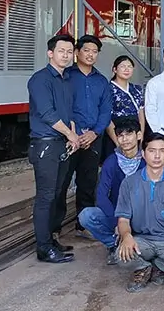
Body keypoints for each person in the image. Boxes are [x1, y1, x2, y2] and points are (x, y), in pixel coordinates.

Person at [115, 133, 164, 292]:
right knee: (120, 256)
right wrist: (127, 236)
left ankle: (156, 265)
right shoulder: (129, 182)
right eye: (152, 151)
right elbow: (123, 219)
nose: (157, 156)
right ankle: (144, 267)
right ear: (143, 154)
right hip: (141, 239)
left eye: (162, 151)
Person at [27, 34, 79, 263]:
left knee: (58, 194)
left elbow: (69, 111)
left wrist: (72, 133)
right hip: (45, 145)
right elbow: (47, 114)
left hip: (62, 144)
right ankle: (44, 248)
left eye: (69, 51)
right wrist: (70, 134)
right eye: (61, 51)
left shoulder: (66, 79)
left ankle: (50, 240)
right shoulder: (40, 80)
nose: (66, 55)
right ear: (50, 53)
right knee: (46, 197)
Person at [59, 34, 112, 238]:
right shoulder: (66, 76)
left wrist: (94, 132)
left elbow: (105, 111)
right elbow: (63, 107)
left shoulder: (101, 81)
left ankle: (83, 225)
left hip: (93, 139)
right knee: (62, 182)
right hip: (68, 138)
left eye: (94, 51)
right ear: (77, 52)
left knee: (88, 183)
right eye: (86, 50)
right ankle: (55, 228)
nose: (90, 54)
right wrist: (75, 132)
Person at [79, 116, 145, 265]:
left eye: (129, 134)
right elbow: (101, 196)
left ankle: (138, 244)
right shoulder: (112, 161)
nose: (125, 139)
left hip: (143, 215)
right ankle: (114, 244)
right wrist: (117, 223)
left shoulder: (148, 160)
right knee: (86, 215)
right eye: (120, 135)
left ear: (139, 135)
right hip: (118, 213)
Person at [106, 55, 146, 155]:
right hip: (117, 131)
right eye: (123, 66)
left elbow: (140, 113)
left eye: (129, 66)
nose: (126, 69)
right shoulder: (107, 89)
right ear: (115, 69)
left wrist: (141, 135)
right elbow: (106, 117)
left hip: (134, 131)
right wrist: (118, 142)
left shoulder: (137, 89)